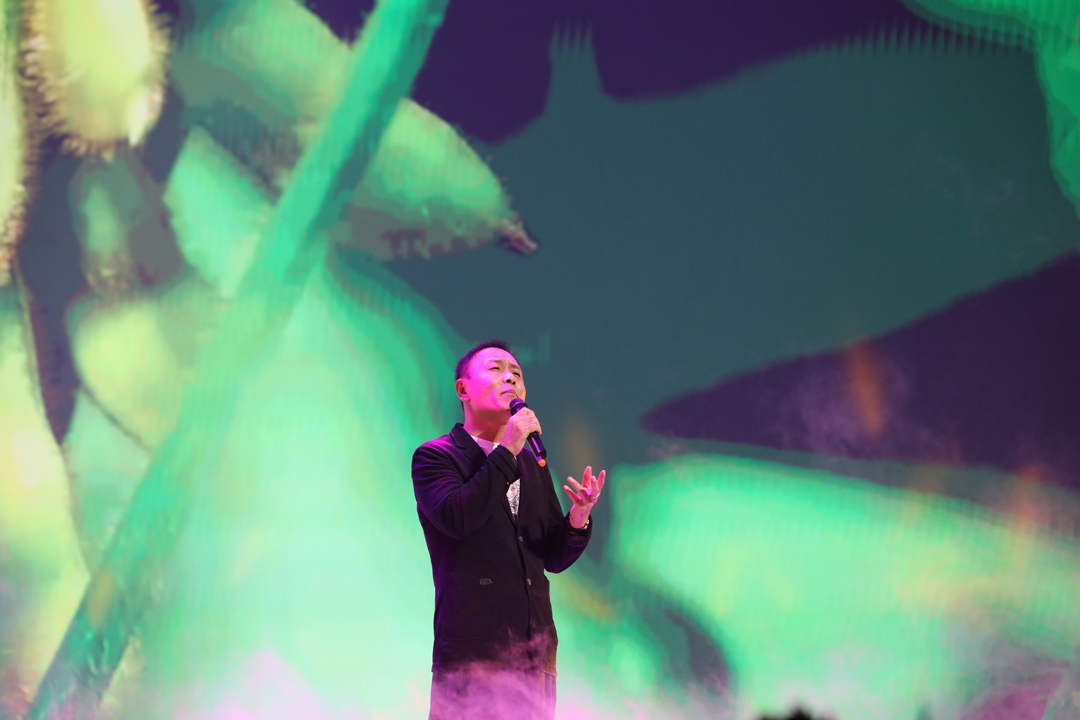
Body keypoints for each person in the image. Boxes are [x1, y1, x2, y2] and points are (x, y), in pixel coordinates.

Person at [412, 340, 605, 720]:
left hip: (536, 650)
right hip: (473, 650)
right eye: (496, 369)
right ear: (463, 389)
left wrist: (579, 516)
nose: (510, 379)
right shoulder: (436, 456)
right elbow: (458, 519)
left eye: (517, 373)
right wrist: (507, 450)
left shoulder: (531, 463)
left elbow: (551, 557)